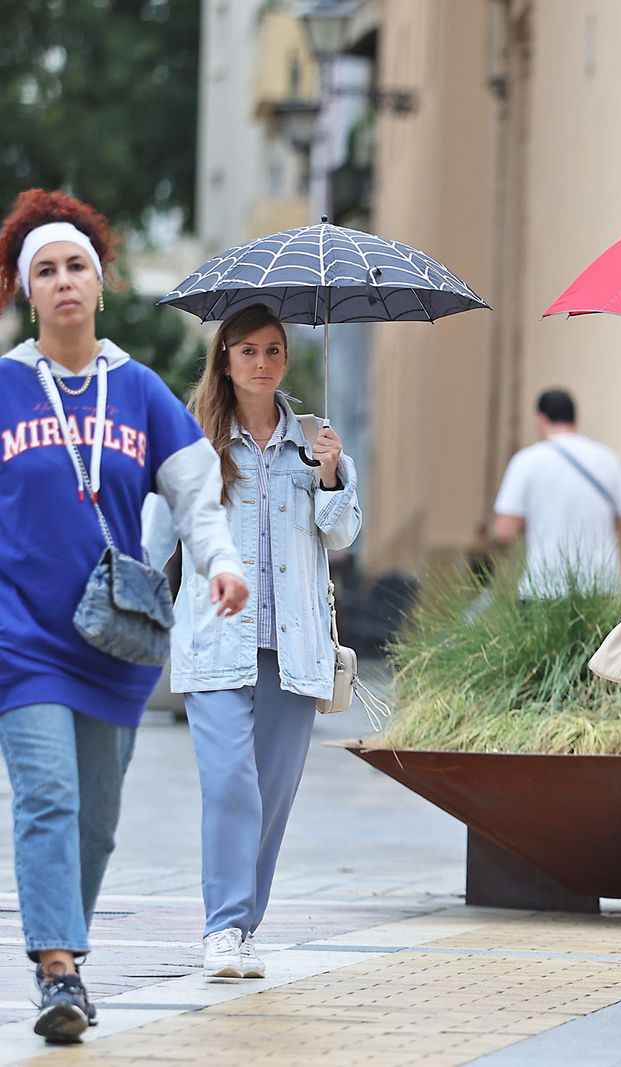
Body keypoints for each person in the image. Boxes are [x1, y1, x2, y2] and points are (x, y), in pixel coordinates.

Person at [0, 189, 248, 1043]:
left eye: (77, 266)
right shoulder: (4, 388)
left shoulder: (138, 390)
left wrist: (221, 564)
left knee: (97, 820)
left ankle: (67, 953)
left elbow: (196, 494)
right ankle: (56, 969)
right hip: (20, 636)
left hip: (114, 637)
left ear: (100, 284)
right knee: (48, 796)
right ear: (25, 291)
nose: (64, 281)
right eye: (45, 270)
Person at [143, 305, 360, 981]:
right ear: (225, 359)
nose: (261, 363)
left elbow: (343, 535)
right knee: (231, 785)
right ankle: (224, 926)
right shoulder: (193, 444)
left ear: (286, 359)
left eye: (272, 351)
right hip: (214, 641)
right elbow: (154, 538)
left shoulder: (316, 442)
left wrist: (331, 475)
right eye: (248, 351)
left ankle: (243, 928)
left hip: (294, 650)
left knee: (271, 796)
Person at [492, 388, 621, 598]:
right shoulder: (609, 460)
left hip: (543, 586)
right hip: (602, 584)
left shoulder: (525, 462)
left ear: (540, 419)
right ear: (575, 421)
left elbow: (504, 531)